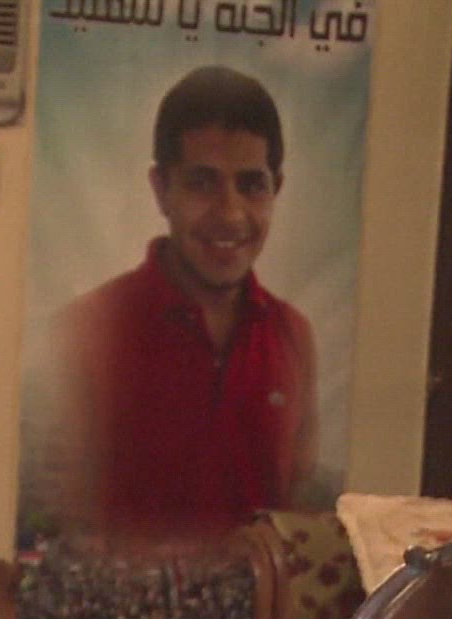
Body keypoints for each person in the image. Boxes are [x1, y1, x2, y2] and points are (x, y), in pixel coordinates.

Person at [55, 64, 317, 537]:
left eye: (251, 185)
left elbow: (299, 521)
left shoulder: (294, 336)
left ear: (276, 189)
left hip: (258, 590)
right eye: (202, 182)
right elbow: (67, 523)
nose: (230, 213)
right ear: (162, 190)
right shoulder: (88, 329)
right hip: (123, 588)